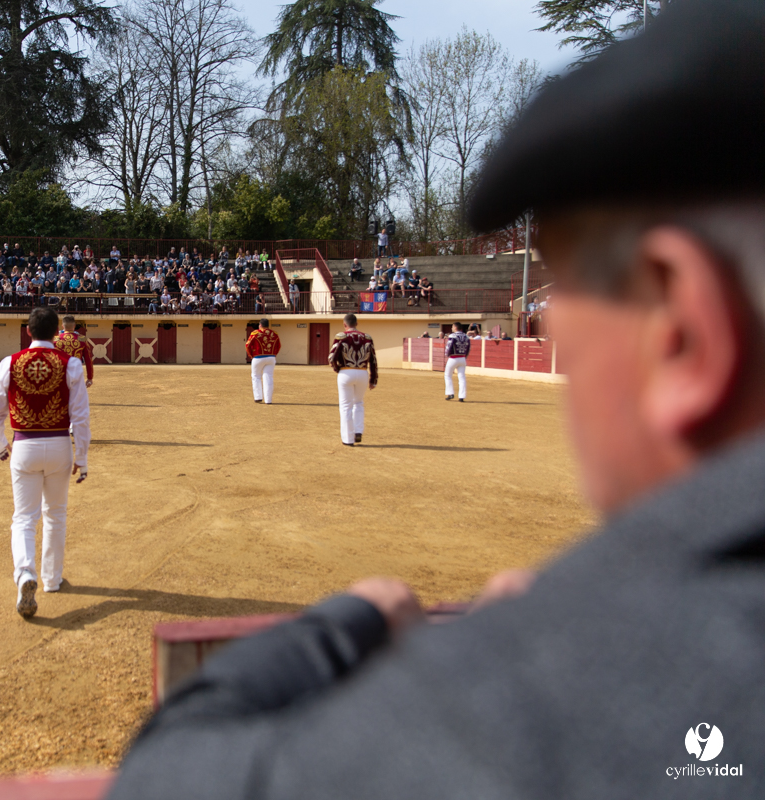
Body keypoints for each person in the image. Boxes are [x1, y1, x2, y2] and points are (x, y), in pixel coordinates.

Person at [113, 3, 765, 796]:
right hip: (355, 379)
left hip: (342, 394)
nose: (549, 316)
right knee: (348, 405)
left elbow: (167, 780)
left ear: (681, 330)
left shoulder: (536, 695)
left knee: (340, 407)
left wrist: (351, 623)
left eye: (569, 290)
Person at [0, 307, 91, 619]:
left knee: (24, 518)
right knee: (55, 515)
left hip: (24, 445)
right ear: (56, 333)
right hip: (59, 444)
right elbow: (81, 418)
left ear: (28, 332)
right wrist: (82, 457)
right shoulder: (70, 364)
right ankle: (52, 580)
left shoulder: (10, 363)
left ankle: (25, 573)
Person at [326, 313, 377, 446]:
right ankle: (358, 431)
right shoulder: (367, 337)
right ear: (357, 323)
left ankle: (348, 439)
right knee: (358, 403)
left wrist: (337, 368)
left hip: (346, 372)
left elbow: (331, 357)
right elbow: (373, 360)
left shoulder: (341, 336)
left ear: (344, 324)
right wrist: (373, 379)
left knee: (345, 406)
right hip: (362, 373)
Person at [244, 318, 281, 404]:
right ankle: (268, 400)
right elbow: (278, 346)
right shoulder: (274, 334)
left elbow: (247, 345)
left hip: (258, 357)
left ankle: (258, 397)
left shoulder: (255, 333)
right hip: (271, 357)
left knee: (256, 376)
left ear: (260, 325)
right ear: (268, 325)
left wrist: (251, 355)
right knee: (268, 377)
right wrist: (274, 354)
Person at [53, 315, 94, 387]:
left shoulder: (55, 340)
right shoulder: (82, 339)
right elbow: (88, 360)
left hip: (59, 375)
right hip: (76, 375)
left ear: (63, 326)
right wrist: (89, 378)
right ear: (74, 326)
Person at [444, 321, 470, 401]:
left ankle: (450, 393)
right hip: (462, 358)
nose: (451, 328)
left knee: (448, 375)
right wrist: (465, 357)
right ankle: (461, 397)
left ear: (455, 327)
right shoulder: (466, 336)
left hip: (453, 358)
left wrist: (447, 354)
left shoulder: (453, 336)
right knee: (462, 377)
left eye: (452, 327)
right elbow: (468, 348)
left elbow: (449, 346)